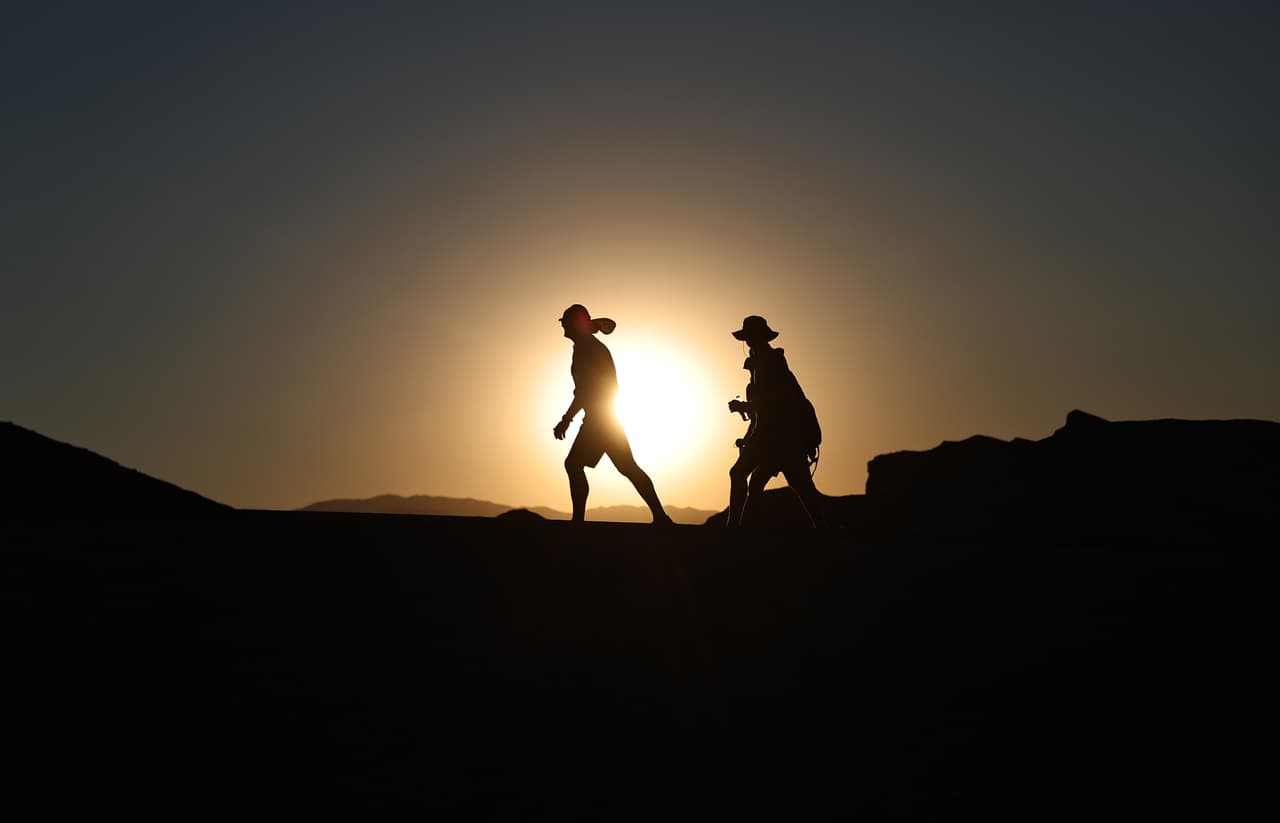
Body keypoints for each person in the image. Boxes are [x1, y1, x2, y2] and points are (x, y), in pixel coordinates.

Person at [553, 304, 674, 525]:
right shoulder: (587, 347)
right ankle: (660, 516)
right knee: (628, 467)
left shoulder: (588, 349)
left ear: (573, 324)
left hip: (600, 421)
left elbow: (586, 391)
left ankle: (578, 520)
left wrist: (566, 420)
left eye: (565, 322)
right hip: (606, 418)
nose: (562, 326)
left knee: (574, 464)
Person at [725, 315, 826, 528]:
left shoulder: (770, 361)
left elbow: (772, 401)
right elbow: (761, 411)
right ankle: (740, 528)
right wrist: (747, 434)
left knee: (743, 474)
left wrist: (744, 407)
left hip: (778, 436)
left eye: (751, 336)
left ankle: (734, 529)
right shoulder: (765, 363)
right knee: (794, 484)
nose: (749, 341)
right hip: (775, 436)